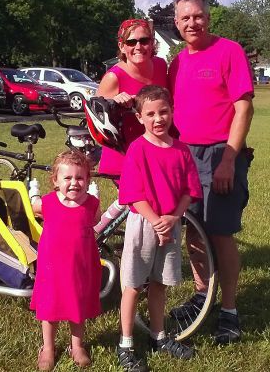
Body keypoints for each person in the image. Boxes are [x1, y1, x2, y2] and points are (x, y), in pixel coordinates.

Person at [167, 0, 255, 345]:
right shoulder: (177, 62)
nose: (193, 22)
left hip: (221, 154)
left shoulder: (228, 51)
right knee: (194, 232)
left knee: (220, 233)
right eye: (185, 17)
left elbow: (244, 108)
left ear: (209, 16)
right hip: (186, 156)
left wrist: (228, 161)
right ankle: (203, 296)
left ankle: (229, 310)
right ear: (176, 23)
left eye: (198, 15)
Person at [116, 86, 203, 372]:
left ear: (172, 112)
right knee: (133, 285)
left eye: (163, 112)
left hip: (171, 223)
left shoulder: (181, 150)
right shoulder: (138, 149)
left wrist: (173, 218)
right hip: (144, 224)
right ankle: (126, 344)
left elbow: (189, 191)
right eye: (150, 114)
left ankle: (159, 336)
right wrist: (156, 220)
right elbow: (133, 193)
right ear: (139, 117)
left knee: (159, 283)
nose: (158, 119)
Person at [29, 150, 102, 370]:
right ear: (55, 181)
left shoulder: (91, 204)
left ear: (88, 180)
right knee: (50, 308)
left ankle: (76, 346)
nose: (74, 183)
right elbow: (33, 208)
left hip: (80, 267)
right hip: (52, 268)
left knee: (77, 307)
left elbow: (97, 219)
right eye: (67, 178)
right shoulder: (48, 203)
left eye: (80, 178)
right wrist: (33, 193)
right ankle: (48, 347)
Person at [97, 18, 168, 176]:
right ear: (122, 46)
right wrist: (113, 103)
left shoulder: (161, 66)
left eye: (144, 40)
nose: (138, 47)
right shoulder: (113, 78)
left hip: (156, 150)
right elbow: (96, 122)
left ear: (152, 43)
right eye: (131, 42)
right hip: (125, 156)